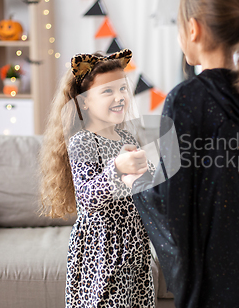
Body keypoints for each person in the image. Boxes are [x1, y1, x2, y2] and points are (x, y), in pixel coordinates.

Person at [121, 0, 239, 307]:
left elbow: (171, 198)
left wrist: (134, 180)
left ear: (193, 29)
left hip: (213, 252)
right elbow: (209, 166)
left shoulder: (185, 98)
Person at [38, 49, 156, 308]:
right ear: (84, 102)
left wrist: (150, 172)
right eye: (107, 91)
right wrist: (116, 169)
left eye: (123, 89)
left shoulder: (127, 138)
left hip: (134, 246)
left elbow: (143, 186)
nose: (120, 97)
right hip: (101, 250)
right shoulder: (83, 142)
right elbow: (87, 197)